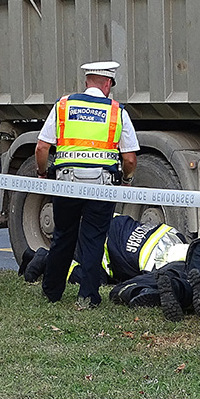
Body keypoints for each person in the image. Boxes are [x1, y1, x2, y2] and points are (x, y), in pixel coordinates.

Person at [35, 61, 139, 309]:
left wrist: (42, 173)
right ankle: (88, 297)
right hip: (101, 186)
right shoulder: (117, 112)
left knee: (63, 236)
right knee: (93, 239)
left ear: (86, 82)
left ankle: (52, 292)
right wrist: (126, 180)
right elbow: (129, 158)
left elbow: (41, 147)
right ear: (107, 84)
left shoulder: (63, 106)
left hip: (66, 184)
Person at [18, 214, 185, 287]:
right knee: (94, 281)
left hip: (107, 226)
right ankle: (47, 259)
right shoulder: (153, 266)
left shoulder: (176, 235)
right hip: (99, 242)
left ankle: (37, 256)